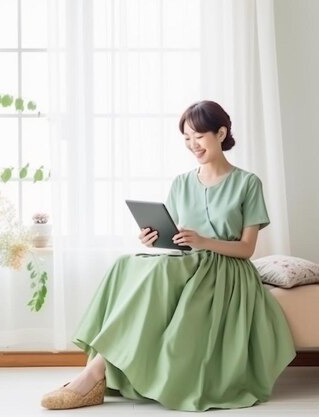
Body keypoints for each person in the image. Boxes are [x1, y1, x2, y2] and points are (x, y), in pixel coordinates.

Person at [41, 100, 295, 411]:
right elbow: (174, 236)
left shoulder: (247, 183)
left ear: (221, 133)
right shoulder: (181, 182)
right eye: (187, 138)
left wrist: (204, 241)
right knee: (125, 264)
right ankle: (97, 367)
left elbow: (246, 249)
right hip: (185, 261)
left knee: (159, 274)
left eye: (198, 136)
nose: (192, 145)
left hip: (225, 267)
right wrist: (153, 238)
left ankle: (94, 374)